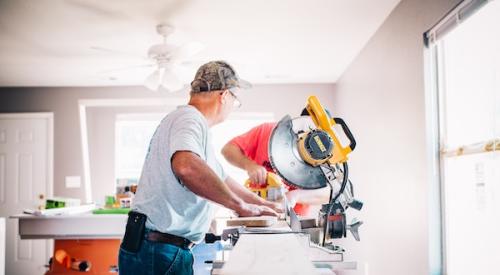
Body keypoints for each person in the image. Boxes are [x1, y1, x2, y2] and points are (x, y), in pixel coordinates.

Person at [118, 61, 281, 275]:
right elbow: (186, 167)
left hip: (158, 248)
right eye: (235, 100)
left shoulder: (192, 125)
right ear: (224, 96)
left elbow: (222, 179)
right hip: (158, 250)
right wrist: (240, 206)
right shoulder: (189, 118)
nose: (233, 106)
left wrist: (262, 204)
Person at [221, 109, 330, 217]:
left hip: (293, 219)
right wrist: (249, 165)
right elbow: (228, 149)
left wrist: (295, 195)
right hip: (255, 212)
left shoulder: (325, 155)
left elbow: (328, 193)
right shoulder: (267, 131)